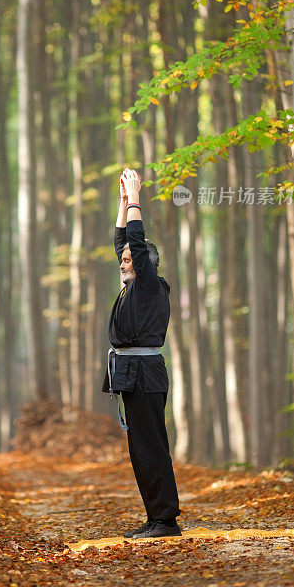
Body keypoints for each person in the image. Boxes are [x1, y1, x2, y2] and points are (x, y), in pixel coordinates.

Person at [102, 168, 181, 539]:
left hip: (145, 372)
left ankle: (166, 520)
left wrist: (135, 198)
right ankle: (155, 517)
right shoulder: (132, 283)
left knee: (151, 447)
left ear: (146, 263)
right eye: (124, 260)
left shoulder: (150, 284)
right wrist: (121, 203)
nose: (122, 262)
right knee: (140, 450)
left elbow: (134, 237)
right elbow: (123, 240)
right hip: (131, 372)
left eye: (130, 260)